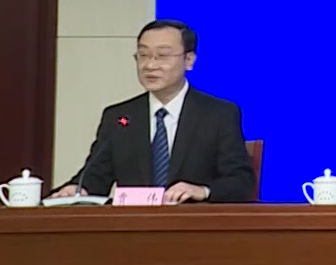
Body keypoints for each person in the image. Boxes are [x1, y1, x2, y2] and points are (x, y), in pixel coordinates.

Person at [49, 19, 254, 203]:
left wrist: (203, 190)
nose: (149, 65)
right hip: (133, 226)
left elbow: (241, 182)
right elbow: (95, 176)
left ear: (189, 60)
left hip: (193, 225)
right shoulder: (120, 117)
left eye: (162, 56)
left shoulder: (218, 114)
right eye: (143, 55)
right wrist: (77, 189)